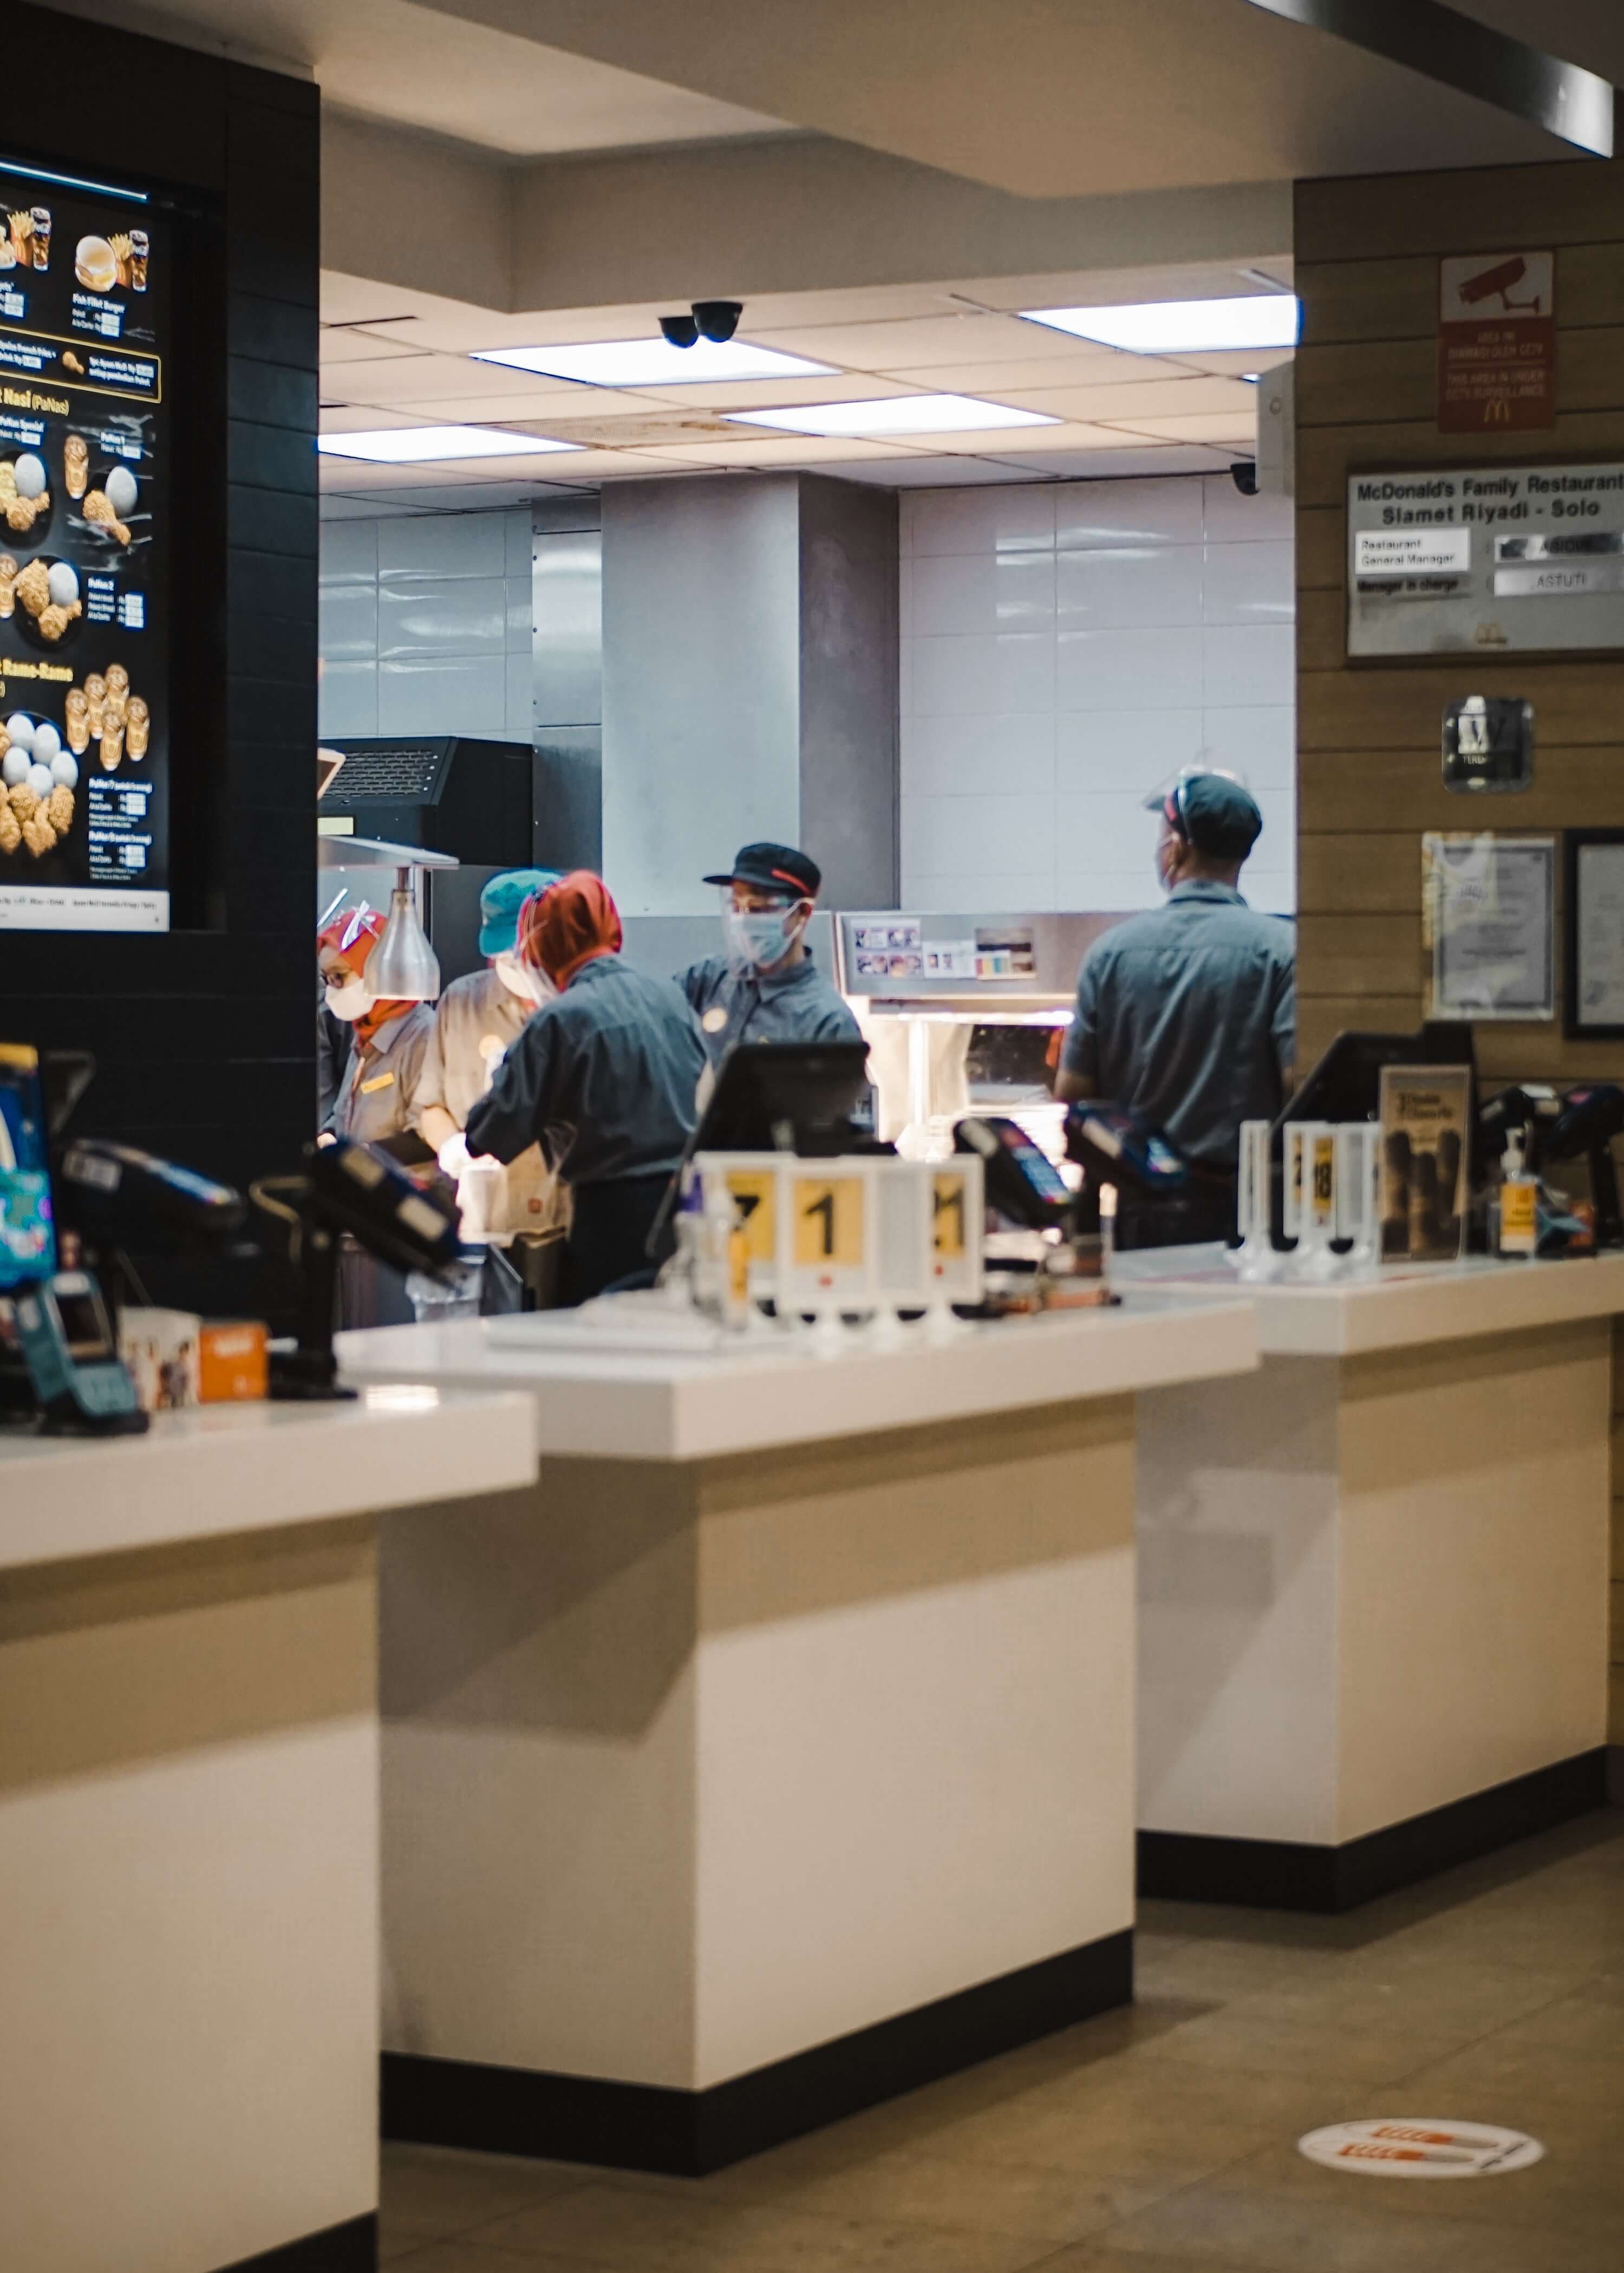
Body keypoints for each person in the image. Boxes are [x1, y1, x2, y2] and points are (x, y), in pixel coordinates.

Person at [1055, 767, 1294, 1250]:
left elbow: (1075, 1093)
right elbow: (1298, 1085)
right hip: (1247, 1219)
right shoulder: (1281, 950)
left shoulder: (1109, 954)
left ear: (1177, 849)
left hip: (1140, 1215)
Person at [466, 872, 706, 1304]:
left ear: (542, 948)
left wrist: (505, 1071)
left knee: (605, 1333)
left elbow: (489, 1133)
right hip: (690, 1209)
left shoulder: (561, 1020)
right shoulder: (669, 996)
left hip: (611, 1218)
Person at [410, 868, 570, 1312]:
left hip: (563, 1222)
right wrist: (454, 1148)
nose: (508, 965)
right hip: (483, 1222)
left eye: (518, 952)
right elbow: (430, 1106)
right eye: (498, 955)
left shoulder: (578, 1010)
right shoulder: (462, 1003)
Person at [317, 907, 439, 1324]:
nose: (332, 991)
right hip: (361, 1224)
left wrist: (360, 1159)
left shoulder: (423, 1036)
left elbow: (429, 1138)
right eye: (326, 979)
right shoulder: (365, 1036)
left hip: (406, 1229)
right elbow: (344, 1115)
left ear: (378, 971)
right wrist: (330, 1140)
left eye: (340, 977)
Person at [679, 841, 861, 1069]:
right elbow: (654, 1011)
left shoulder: (827, 1021)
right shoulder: (709, 979)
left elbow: (839, 1092)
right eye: (736, 907)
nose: (744, 920)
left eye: (757, 908)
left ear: (802, 912)